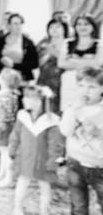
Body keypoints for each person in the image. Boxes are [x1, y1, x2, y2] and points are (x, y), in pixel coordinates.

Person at [8, 86, 63, 215]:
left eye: (28, 97)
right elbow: (15, 135)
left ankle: (44, 211)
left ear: (38, 101)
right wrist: (13, 148)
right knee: (22, 182)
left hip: (42, 160)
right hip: (25, 156)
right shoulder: (23, 116)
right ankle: (17, 208)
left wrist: (53, 160)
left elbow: (55, 143)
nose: (24, 99)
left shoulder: (50, 121)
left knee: (44, 186)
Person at [59, 67, 103, 215]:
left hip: (99, 166)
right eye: (81, 86)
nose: (85, 91)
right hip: (75, 163)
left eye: (91, 87)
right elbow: (65, 131)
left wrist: (99, 133)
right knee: (78, 207)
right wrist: (74, 111)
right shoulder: (73, 107)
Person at [58, 14, 103, 112]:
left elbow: (97, 63)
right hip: (69, 84)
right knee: (69, 112)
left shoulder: (99, 44)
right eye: (79, 24)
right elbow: (61, 63)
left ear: (93, 26)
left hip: (90, 84)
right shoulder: (67, 43)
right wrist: (88, 63)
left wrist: (72, 60)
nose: (82, 27)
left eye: (86, 24)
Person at [36, 19, 69, 115]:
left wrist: (54, 52)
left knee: (56, 112)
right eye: (51, 27)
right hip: (43, 80)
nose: (54, 30)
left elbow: (69, 63)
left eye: (58, 27)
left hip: (61, 82)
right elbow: (35, 63)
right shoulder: (42, 44)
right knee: (42, 111)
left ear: (64, 29)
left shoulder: (69, 44)